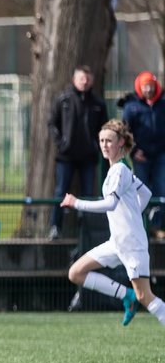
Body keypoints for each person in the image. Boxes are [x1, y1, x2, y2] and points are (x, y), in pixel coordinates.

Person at [61, 119, 165, 327]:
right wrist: (134, 214)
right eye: (101, 140)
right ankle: (126, 295)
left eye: (109, 140)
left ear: (120, 143)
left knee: (145, 296)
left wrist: (76, 203)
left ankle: (132, 296)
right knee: (76, 273)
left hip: (132, 245)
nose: (104, 145)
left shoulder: (119, 170)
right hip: (117, 242)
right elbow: (146, 193)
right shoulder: (120, 170)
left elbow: (110, 204)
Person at [48, 65, 108, 239]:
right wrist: (61, 142)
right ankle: (55, 226)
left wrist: (96, 145)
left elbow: (103, 128)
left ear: (92, 81)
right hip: (66, 156)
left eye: (88, 78)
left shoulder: (98, 104)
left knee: (88, 194)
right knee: (60, 191)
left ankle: (86, 230)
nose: (84, 81)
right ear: (74, 79)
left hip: (88, 157)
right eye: (81, 78)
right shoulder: (63, 100)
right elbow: (52, 123)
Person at [121, 70, 165, 236]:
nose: (148, 89)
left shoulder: (162, 103)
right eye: (145, 86)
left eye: (150, 86)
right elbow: (125, 132)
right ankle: (140, 225)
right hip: (141, 156)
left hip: (161, 155)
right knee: (141, 190)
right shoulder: (131, 106)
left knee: (161, 189)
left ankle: (158, 225)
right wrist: (133, 151)